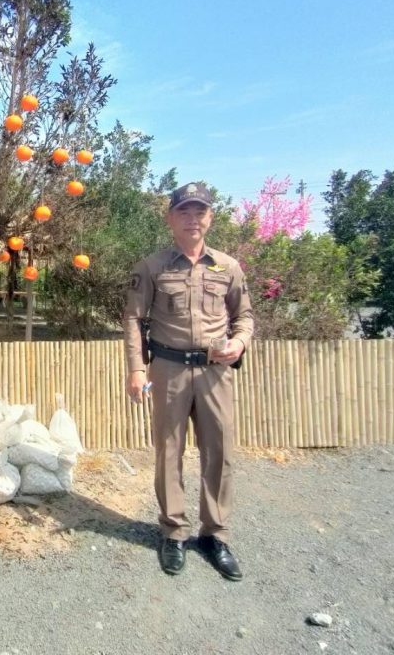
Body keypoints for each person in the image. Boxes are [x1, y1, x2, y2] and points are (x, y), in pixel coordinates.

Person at [122, 181, 254, 580]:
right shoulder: (151, 267)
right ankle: (174, 532)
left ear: (210, 218)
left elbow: (244, 316)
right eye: (184, 211)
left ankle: (215, 535)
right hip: (169, 370)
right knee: (168, 451)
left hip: (215, 373)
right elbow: (133, 319)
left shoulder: (228, 267)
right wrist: (136, 368)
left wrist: (239, 342)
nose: (193, 219)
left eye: (200, 211)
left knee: (220, 452)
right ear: (170, 218)